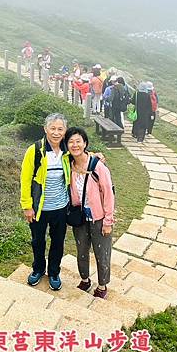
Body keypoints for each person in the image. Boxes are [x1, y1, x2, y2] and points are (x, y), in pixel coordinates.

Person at [20, 113, 70, 291]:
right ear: (45, 129)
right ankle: (38, 269)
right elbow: (25, 179)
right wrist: (27, 206)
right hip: (39, 208)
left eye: (60, 129)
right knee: (38, 241)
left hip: (61, 207)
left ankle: (54, 272)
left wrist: (97, 157)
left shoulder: (67, 150)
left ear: (65, 132)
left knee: (58, 241)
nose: (56, 133)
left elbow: (83, 156)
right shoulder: (35, 150)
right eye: (53, 128)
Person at [65, 126, 114, 298]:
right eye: (71, 142)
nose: (75, 145)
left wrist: (108, 221)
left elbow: (108, 194)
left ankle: (102, 286)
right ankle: (85, 279)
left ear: (85, 143)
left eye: (78, 141)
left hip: (98, 217)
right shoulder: (68, 164)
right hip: (80, 217)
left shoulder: (97, 166)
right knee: (82, 250)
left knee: (102, 252)